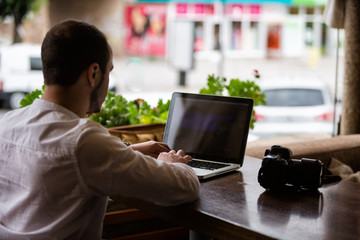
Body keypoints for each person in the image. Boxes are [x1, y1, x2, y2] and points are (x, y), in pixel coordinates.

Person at [0, 20, 200, 239]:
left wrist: (128, 150)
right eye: (109, 71)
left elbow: (62, 161)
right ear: (94, 73)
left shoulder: (8, 123)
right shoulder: (84, 141)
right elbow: (183, 188)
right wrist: (172, 164)